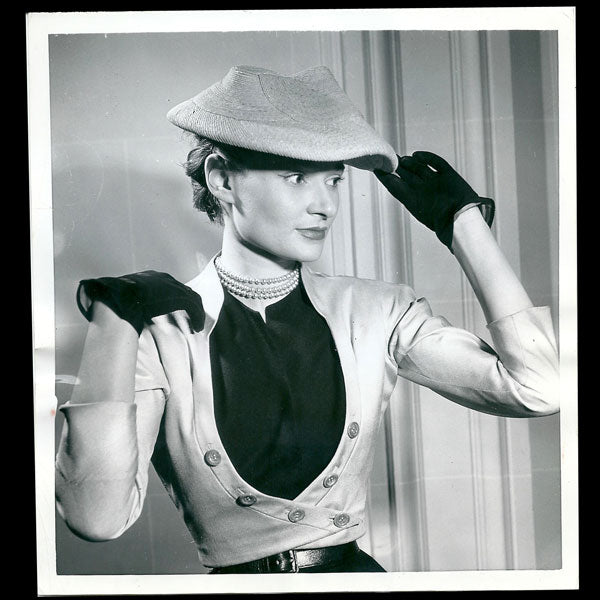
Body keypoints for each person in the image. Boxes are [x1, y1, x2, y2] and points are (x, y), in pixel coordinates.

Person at [55, 65, 559, 574]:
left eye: (334, 181)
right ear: (222, 179)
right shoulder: (160, 335)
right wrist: (113, 321)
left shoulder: (377, 313)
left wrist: (462, 223)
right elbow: (96, 518)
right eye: (296, 178)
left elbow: (538, 390)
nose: (326, 206)